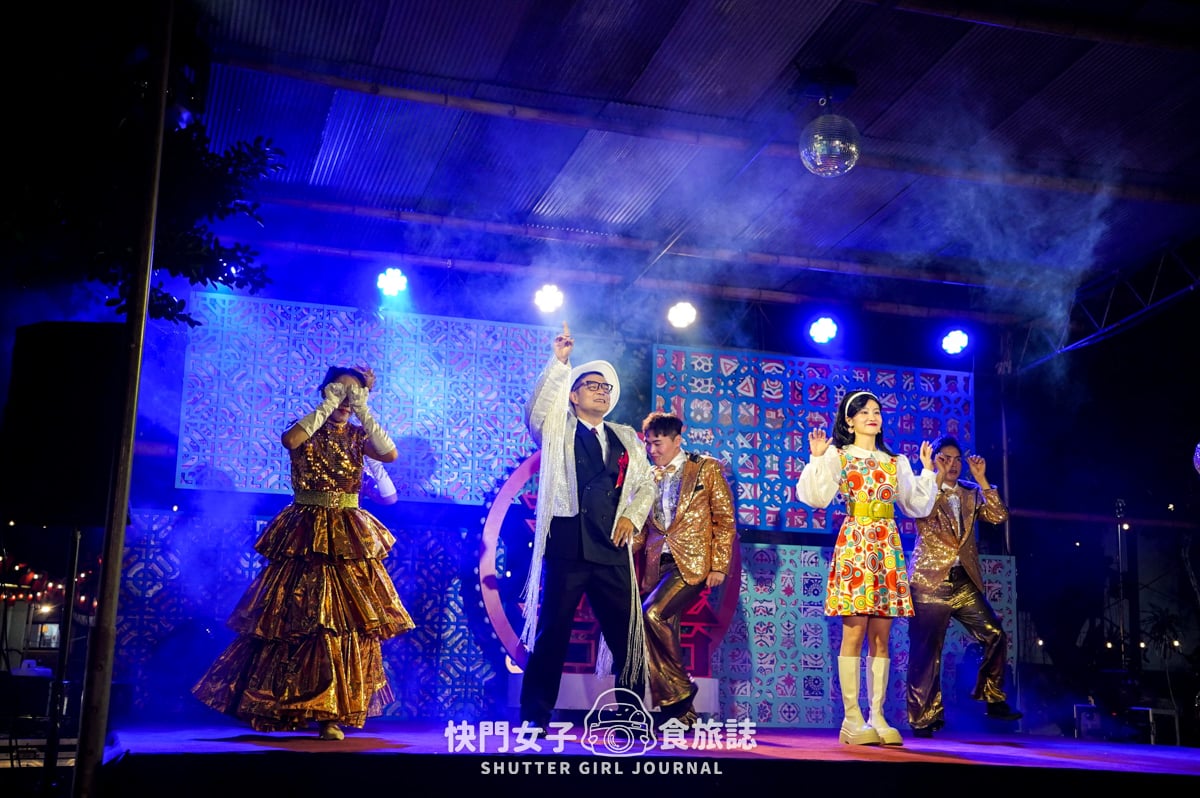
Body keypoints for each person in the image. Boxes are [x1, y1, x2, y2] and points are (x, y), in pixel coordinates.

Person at [192, 365, 414, 740]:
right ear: (326, 391)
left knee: (341, 624)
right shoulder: (307, 427)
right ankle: (285, 705)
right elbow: (291, 441)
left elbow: (389, 454)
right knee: (296, 621)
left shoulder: (358, 435)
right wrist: (327, 406)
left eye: (354, 393)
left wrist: (362, 409)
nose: (345, 399)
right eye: (339, 390)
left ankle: (332, 714)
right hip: (306, 533)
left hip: (346, 535)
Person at [518, 323, 654, 733]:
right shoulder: (557, 428)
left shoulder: (626, 437)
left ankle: (632, 716)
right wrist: (559, 363)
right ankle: (535, 716)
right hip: (569, 544)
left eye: (605, 388)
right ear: (573, 395)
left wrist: (632, 516)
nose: (601, 392)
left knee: (628, 637)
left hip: (612, 547)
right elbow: (536, 411)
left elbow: (646, 483)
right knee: (553, 633)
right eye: (591, 386)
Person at [795, 389, 935, 746]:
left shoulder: (895, 461)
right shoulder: (838, 456)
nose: (872, 417)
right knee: (855, 632)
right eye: (863, 412)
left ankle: (877, 715)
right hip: (856, 543)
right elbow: (816, 498)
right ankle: (851, 717)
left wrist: (928, 471)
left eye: (876, 411)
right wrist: (816, 458)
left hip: (886, 546)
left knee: (881, 637)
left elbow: (916, 505)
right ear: (849, 420)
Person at [906, 436, 1022, 737]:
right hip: (929, 581)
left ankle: (992, 696)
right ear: (935, 460)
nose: (953, 464)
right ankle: (923, 718)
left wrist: (982, 480)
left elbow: (999, 516)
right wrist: (934, 476)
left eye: (957, 459)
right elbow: (922, 512)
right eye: (945, 458)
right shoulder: (924, 490)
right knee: (926, 652)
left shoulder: (970, 492)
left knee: (994, 633)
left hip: (963, 581)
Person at [634, 411, 736, 726]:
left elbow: (724, 519)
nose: (652, 450)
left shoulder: (705, 468)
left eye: (658, 443)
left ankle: (680, 691)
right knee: (665, 633)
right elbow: (642, 528)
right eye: (648, 443)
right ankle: (680, 716)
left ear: (677, 440)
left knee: (652, 615)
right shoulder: (648, 476)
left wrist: (719, 565)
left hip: (692, 563)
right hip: (657, 564)